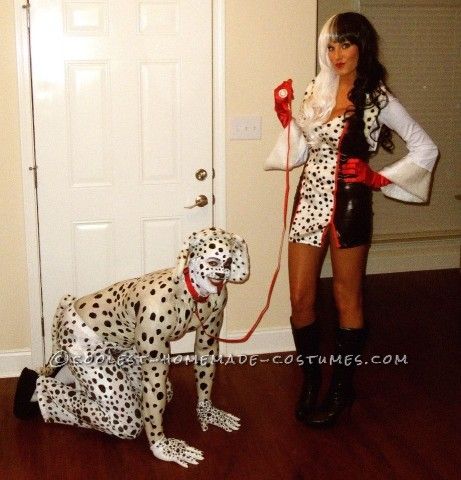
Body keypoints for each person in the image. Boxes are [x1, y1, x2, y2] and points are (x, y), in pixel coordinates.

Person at [272, 12, 438, 427]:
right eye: (331, 45)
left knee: (348, 299)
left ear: (362, 46)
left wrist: (376, 176)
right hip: (309, 200)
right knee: (300, 299)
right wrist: (287, 116)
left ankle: (342, 389)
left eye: (346, 44)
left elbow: (425, 148)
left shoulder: (377, 97)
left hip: (349, 203)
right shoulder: (317, 89)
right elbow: (299, 150)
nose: (337, 53)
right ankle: (311, 380)